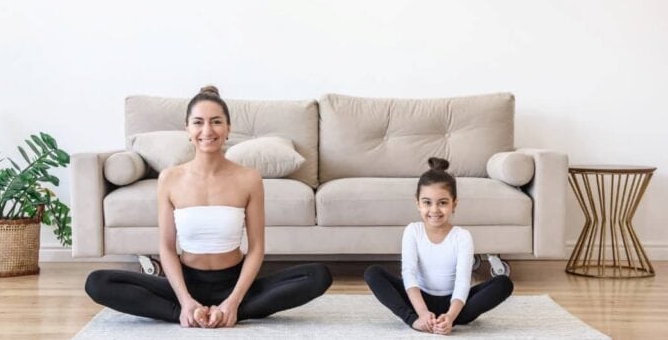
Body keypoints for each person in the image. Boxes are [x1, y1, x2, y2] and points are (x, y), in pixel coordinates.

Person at [85, 86, 332, 328]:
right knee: (97, 282)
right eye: (198, 122)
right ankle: (188, 313)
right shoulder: (170, 179)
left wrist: (233, 301)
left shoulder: (249, 178)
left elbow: (256, 248)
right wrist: (184, 301)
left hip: (235, 284)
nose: (207, 130)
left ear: (228, 128)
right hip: (185, 283)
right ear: (187, 129)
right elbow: (167, 248)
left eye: (216, 122)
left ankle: (228, 311)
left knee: (319, 276)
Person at [364, 157, 513, 335]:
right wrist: (421, 313)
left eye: (442, 203)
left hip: (455, 305)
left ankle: (445, 321)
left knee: (504, 283)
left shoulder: (462, 237)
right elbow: (409, 274)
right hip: (419, 300)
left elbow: (462, 282)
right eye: (427, 202)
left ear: (454, 204)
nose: (434, 210)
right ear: (417, 204)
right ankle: (414, 321)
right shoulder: (413, 231)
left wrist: (450, 316)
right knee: (373, 273)